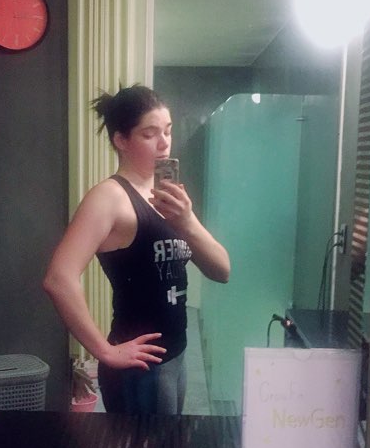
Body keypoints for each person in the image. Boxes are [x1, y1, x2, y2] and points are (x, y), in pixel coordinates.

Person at [43, 84, 230, 414]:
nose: (164, 142)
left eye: (167, 131)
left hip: (176, 356)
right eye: (149, 134)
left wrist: (187, 221)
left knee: (168, 447)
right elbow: (59, 279)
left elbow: (221, 270)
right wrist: (105, 351)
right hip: (140, 368)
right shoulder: (110, 197)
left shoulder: (169, 197)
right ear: (121, 140)